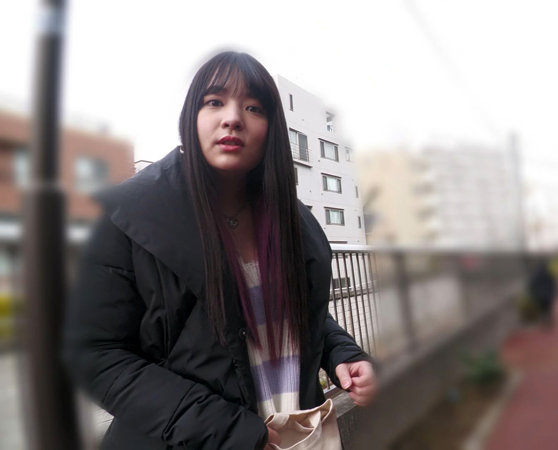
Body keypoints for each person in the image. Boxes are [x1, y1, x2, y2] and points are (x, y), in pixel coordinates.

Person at [63, 51, 377, 449]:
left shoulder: (291, 219)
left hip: (296, 434)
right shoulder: (129, 215)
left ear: (272, 128)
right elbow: (96, 354)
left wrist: (341, 353)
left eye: (253, 107)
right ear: (191, 116)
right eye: (214, 102)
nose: (233, 118)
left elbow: (289, 312)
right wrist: (228, 430)